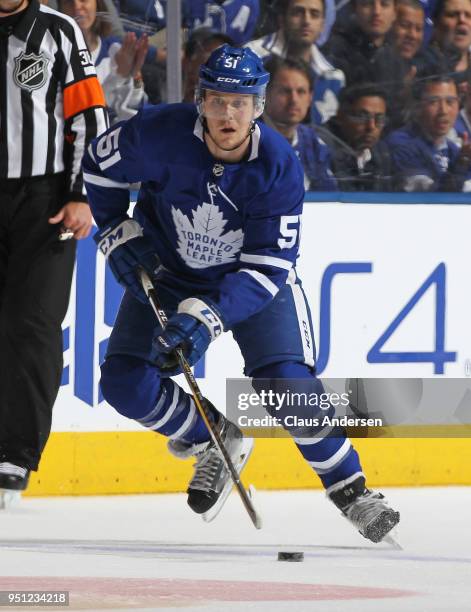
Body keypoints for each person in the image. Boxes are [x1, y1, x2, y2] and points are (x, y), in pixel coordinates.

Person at [82, 44, 400, 542]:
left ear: (259, 105)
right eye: (216, 101)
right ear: (199, 100)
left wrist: (207, 319)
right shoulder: (158, 131)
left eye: (240, 102)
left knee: (286, 386)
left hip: (250, 284)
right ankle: (212, 438)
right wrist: (116, 228)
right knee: (124, 383)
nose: (227, 114)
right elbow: (98, 166)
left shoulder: (278, 166)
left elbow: (268, 266)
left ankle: (351, 489)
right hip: (168, 274)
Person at [0, 0, 107, 503]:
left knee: (32, 323)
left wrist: (82, 193)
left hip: (43, 202)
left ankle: (17, 453)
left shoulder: (59, 31)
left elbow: (90, 117)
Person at [246, 0, 345, 124]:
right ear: (281, 19)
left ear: (322, 25)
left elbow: (325, 130)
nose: (306, 21)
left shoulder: (333, 77)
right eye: (298, 12)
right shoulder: (250, 56)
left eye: (314, 14)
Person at [59, 0, 148, 122]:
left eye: (83, 0)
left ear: (98, 4)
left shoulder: (116, 50)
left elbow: (136, 109)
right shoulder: (55, 55)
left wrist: (135, 75)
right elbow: (86, 115)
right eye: (68, 2)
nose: (77, 7)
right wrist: (118, 76)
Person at [386, 74, 471, 190]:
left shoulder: (453, 149)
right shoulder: (401, 144)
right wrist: (462, 163)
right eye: (433, 102)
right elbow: (433, 200)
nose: (443, 111)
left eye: (450, 102)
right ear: (417, 106)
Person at [263, 56, 337, 190]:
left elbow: (329, 196)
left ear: (310, 98)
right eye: (285, 91)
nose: (294, 100)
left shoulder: (313, 141)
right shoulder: (245, 140)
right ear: (264, 94)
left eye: (301, 92)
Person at [316, 83, 395, 190]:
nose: (371, 127)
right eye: (362, 116)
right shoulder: (320, 146)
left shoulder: (381, 152)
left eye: (379, 119)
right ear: (341, 116)